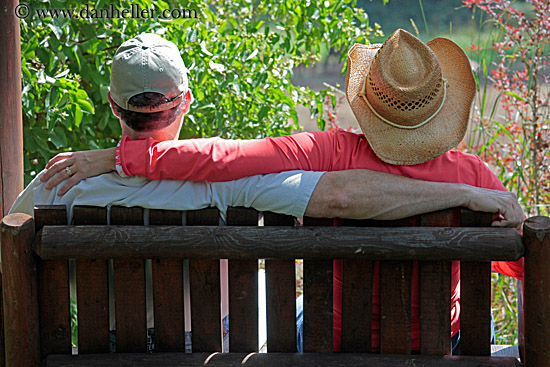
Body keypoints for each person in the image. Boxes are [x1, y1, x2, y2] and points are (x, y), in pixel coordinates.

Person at [37, 31, 524, 353]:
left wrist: (119, 157)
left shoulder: (328, 149)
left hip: (331, 344)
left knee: (290, 308)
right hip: (446, 346)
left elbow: (221, 158)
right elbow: (521, 262)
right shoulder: (475, 180)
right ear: (439, 108)